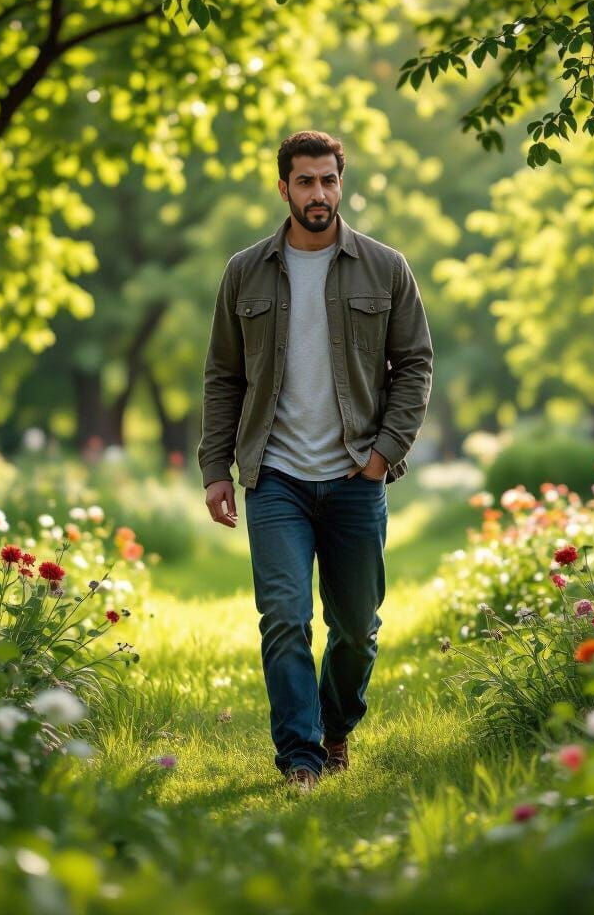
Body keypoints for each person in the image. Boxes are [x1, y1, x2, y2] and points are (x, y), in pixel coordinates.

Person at [197, 130, 433, 793]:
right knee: (285, 616)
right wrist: (217, 467)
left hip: (358, 475)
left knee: (356, 630)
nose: (319, 193)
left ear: (341, 183)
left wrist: (386, 452)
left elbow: (415, 365)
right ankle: (299, 757)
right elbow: (223, 376)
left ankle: (336, 729)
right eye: (305, 181)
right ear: (284, 189)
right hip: (276, 479)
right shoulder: (245, 272)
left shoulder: (385, 267)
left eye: (328, 180)